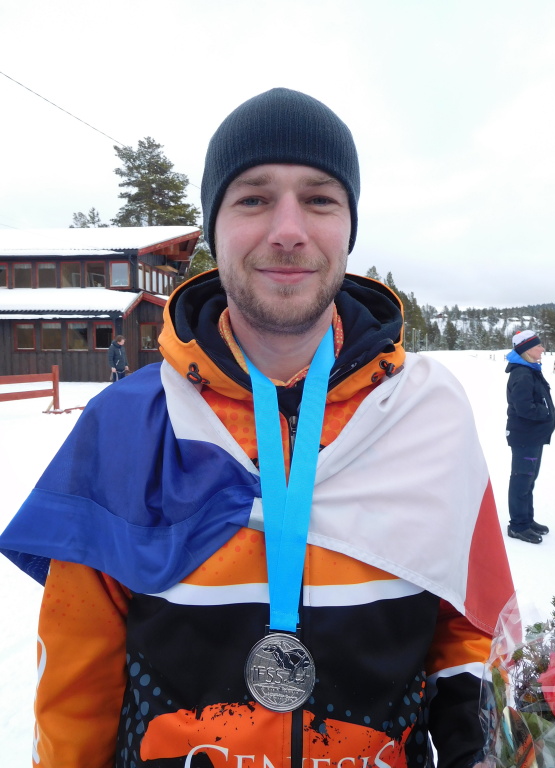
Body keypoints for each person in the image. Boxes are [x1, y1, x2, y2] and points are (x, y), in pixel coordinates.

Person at [0, 88, 514, 768]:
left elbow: (474, 633)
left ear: (349, 227)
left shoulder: (427, 412)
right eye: (253, 198)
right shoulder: (125, 427)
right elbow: (76, 688)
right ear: (213, 229)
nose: (288, 229)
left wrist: (490, 746)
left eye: (320, 199)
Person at [505, 329, 555, 544]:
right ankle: (518, 526)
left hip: (533, 436)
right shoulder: (522, 374)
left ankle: (527, 519)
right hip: (525, 437)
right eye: (538, 346)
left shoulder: (530, 370)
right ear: (527, 350)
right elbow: (524, 408)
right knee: (522, 480)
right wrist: (546, 413)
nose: (543, 349)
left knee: (529, 480)